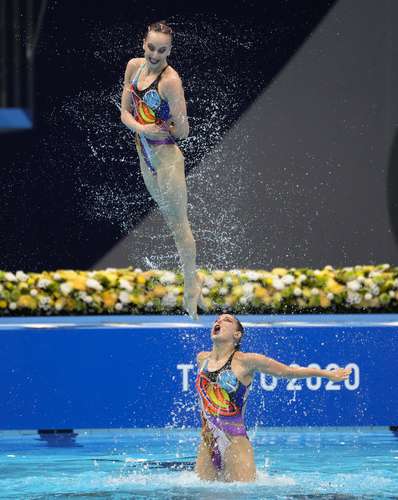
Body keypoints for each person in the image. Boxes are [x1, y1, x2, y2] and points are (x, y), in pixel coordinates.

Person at [195, 313, 352, 482]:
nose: (219, 321)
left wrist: (327, 374)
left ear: (237, 334)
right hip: (208, 444)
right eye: (217, 319)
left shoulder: (247, 361)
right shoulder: (202, 358)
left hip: (236, 443)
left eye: (227, 320)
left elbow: (289, 372)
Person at [120, 20, 203, 319]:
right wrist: (144, 128)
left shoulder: (170, 81)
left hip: (167, 159)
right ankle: (197, 280)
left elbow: (184, 130)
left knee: (181, 227)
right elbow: (124, 113)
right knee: (172, 225)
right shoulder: (134, 67)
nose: (155, 54)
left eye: (162, 50)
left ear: (170, 50)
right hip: (145, 155)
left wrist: (166, 128)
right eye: (151, 47)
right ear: (144, 43)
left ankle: (191, 287)